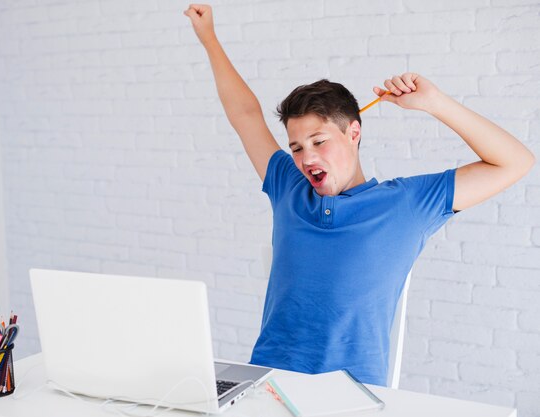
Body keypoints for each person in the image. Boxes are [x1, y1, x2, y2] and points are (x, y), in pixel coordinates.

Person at [184, 4, 535, 386]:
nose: (306, 158)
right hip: (266, 383)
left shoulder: (406, 205)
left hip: (354, 395)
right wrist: (209, 39)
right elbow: (246, 115)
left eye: (319, 141)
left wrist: (435, 103)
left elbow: (515, 162)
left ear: (354, 133)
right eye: (297, 147)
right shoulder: (289, 188)